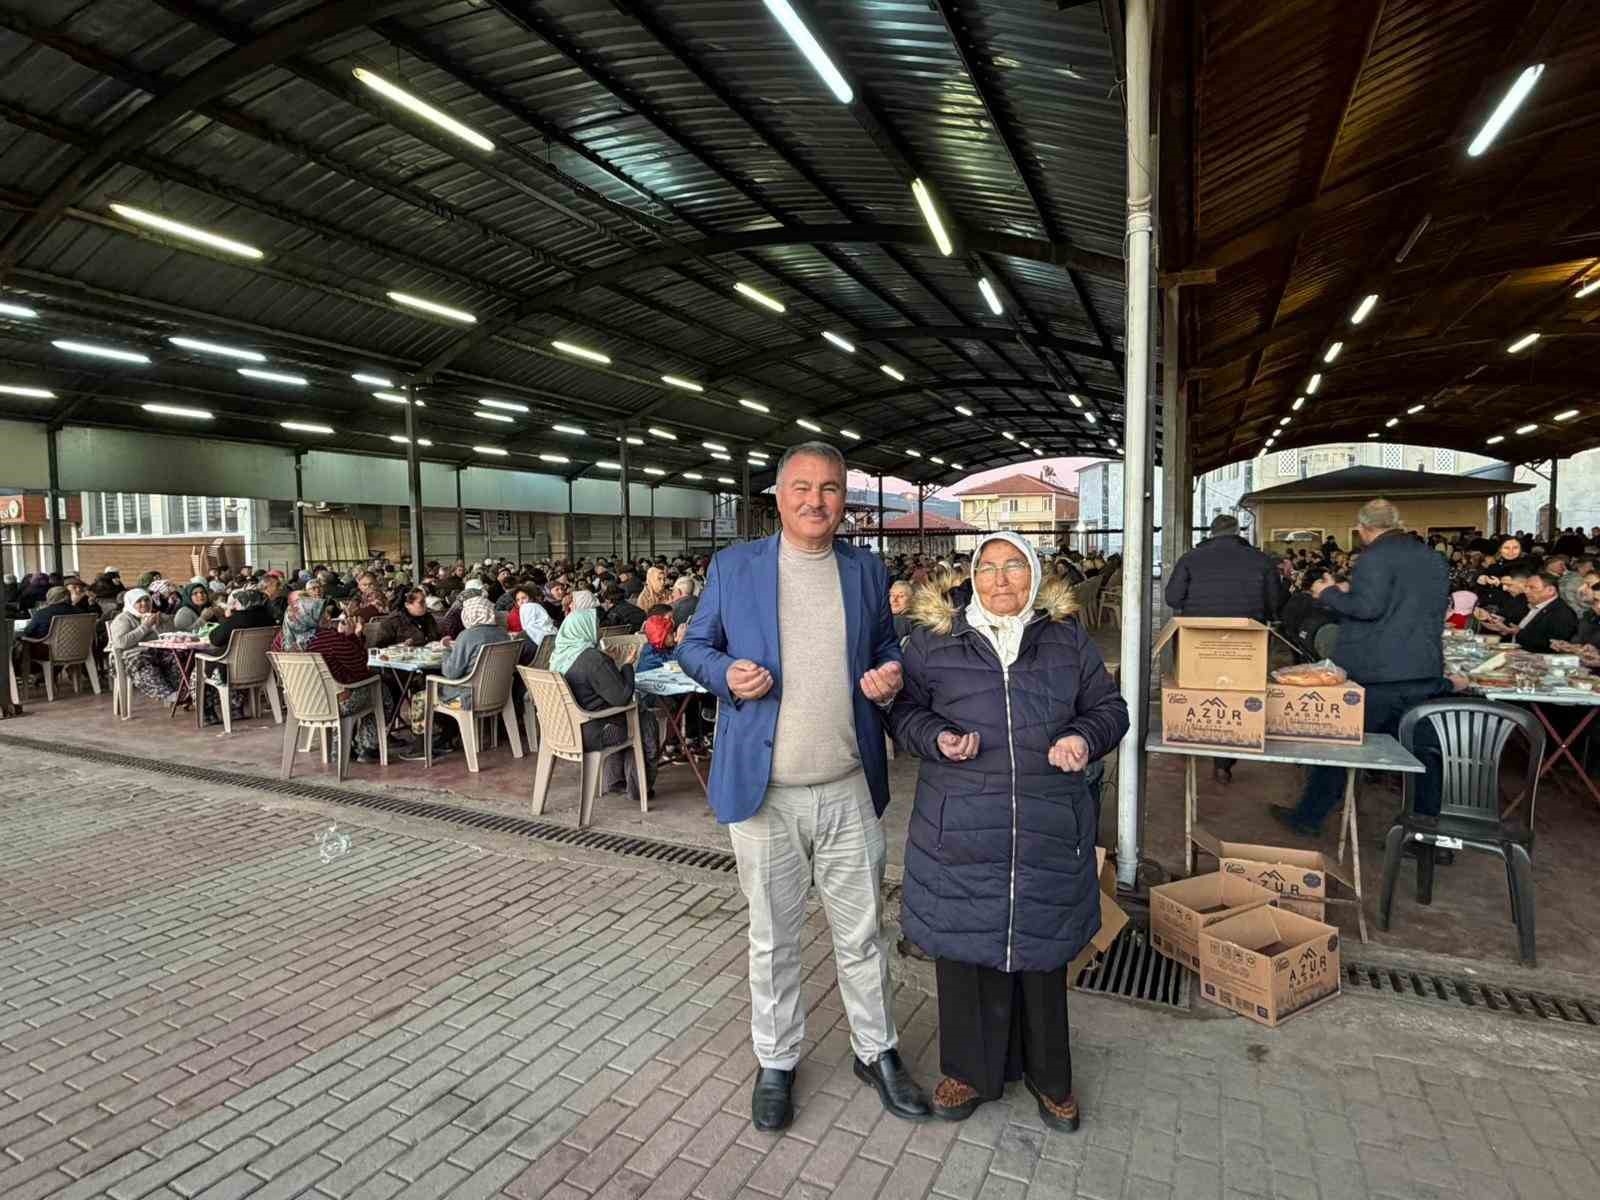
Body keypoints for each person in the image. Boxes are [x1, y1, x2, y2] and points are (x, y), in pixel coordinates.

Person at [678, 441, 927, 1134]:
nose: (817, 501)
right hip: (765, 794)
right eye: (803, 488)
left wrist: (888, 674)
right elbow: (693, 647)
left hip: (848, 785)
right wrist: (724, 673)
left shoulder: (866, 570)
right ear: (779, 496)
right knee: (773, 937)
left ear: (844, 499)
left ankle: (875, 1051)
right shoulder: (734, 566)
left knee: (863, 933)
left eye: (831, 489)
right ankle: (777, 1060)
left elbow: (883, 647)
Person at [889, 532, 1127, 1130]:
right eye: (988, 568)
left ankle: (1051, 1079)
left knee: (1042, 955)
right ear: (972, 575)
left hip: (1047, 820)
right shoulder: (932, 643)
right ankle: (967, 1073)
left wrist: (1084, 738)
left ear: (1035, 573)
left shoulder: (1066, 639)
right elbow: (904, 712)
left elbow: (1111, 709)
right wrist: (935, 739)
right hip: (962, 821)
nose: (1000, 580)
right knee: (964, 950)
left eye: (1014, 567)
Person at [1274, 500, 1458, 836]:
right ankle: (1427, 832)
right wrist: (1351, 592)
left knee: (1340, 743)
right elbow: (1405, 602)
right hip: (1424, 668)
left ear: (1363, 527)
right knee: (1426, 756)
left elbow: (1368, 608)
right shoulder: (1431, 557)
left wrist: (1328, 592)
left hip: (1379, 672)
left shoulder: (1374, 557)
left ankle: (1309, 817)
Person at [1164, 513, 1278, 785]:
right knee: (1236, 695)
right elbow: (1275, 603)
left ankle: (1191, 739)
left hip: (1198, 640)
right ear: (1237, 531)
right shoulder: (1261, 560)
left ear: (1212, 533)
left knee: (1199, 690)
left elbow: (1172, 598)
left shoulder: (1190, 558)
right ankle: (1224, 763)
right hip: (1246, 641)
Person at [549, 606, 657, 799]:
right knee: (645, 719)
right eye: (595, 626)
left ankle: (615, 780)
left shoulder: (559, 655)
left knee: (626, 717)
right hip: (595, 731)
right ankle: (639, 788)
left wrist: (608, 661)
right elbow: (622, 696)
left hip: (563, 730)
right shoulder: (592, 659)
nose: (599, 632)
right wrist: (627, 665)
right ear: (583, 629)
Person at [402, 595, 507, 760]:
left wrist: (446, 650)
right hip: (497, 694)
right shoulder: (503, 634)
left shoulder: (467, 636)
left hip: (468, 695)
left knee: (420, 697)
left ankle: (420, 747)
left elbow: (450, 673)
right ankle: (447, 737)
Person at [106, 588, 186, 705]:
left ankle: (182, 691)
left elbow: (169, 635)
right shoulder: (123, 619)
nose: (144, 603)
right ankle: (167, 694)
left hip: (153, 652)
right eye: (139, 601)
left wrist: (164, 621)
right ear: (131, 603)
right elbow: (121, 642)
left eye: (147, 600)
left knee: (176, 656)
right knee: (142, 662)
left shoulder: (151, 616)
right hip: (128, 657)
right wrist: (145, 626)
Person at [1479, 571, 1577, 653]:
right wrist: (1503, 625)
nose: (1526, 591)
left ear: (1550, 590)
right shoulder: (1534, 605)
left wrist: (1517, 632)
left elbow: (1554, 645)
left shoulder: (1562, 613)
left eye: (1532, 588)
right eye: (1526, 587)